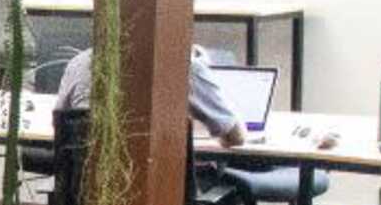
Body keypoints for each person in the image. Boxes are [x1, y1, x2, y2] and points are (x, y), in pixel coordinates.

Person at [52, 41, 249, 148]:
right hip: (159, 193)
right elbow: (235, 137)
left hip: (82, 190)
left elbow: (61, 126)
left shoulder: (80, 62)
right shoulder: (184, 65)